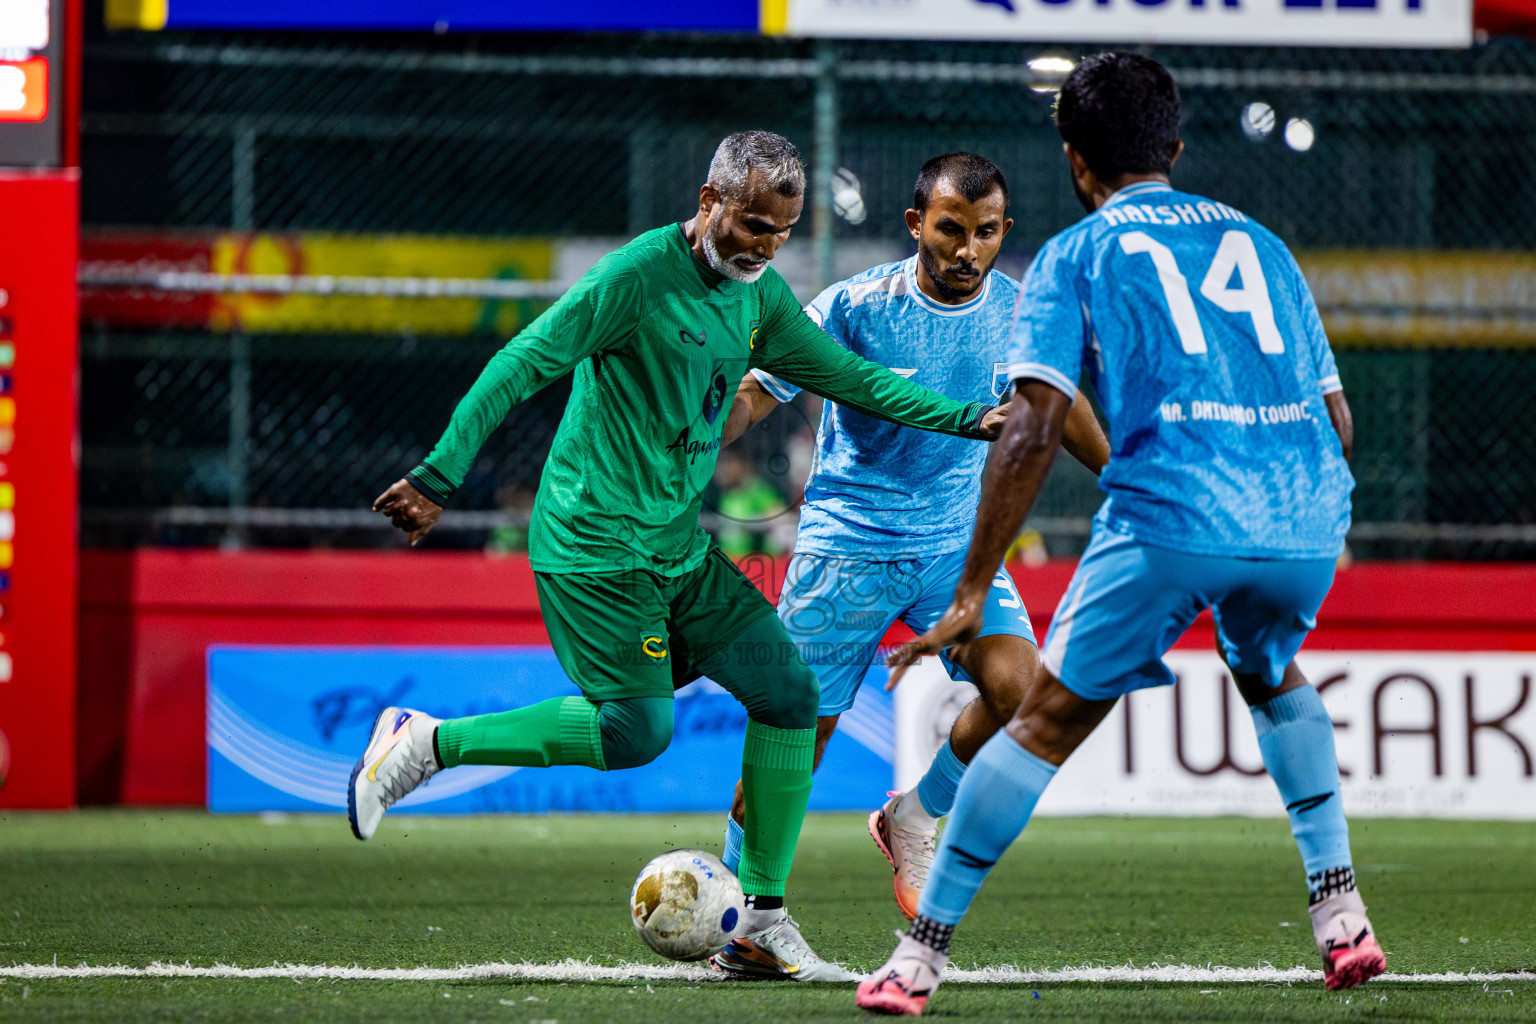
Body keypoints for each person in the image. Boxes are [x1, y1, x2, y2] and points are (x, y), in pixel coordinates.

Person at [354, 130, 1006, 983]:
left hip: (673, 549)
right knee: (637, 733)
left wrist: (967, 419)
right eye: (750, 225)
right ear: (708, 203)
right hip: (594, 547)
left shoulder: (760, 296)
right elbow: (523, 360)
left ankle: (761, 918)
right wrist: (441, 472)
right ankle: (427, 740)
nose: (763, 246)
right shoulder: (635, 278)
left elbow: (849, 378)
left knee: (786, 691)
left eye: (781, 230)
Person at [858, 54, 1378, 1016]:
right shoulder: (1264, 245)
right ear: (1175, 146)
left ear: (1073, 158)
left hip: (1173, 511)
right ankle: (1341, 913)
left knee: (1045, 717)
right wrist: (1320, 516)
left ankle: (917, 960)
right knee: (1269, 674)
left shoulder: (1075, 254)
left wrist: (974, 587)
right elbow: (1338, 420)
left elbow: (1033, 424)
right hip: (1304, 512)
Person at [716, 152, 1108, 921]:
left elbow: (1062, 405)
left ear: (1004, 231)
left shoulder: (1021, 311)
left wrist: (1127, 479)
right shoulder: (855, 306)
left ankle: (916, 816)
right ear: (915, 225)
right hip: (846, 548)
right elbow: (758, 395)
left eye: (986, 233)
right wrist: (685, 445)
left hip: (954, 551)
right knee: (795, 743)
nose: (968, 250)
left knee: (1023, 691)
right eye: (951, 230)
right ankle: (736, 900)